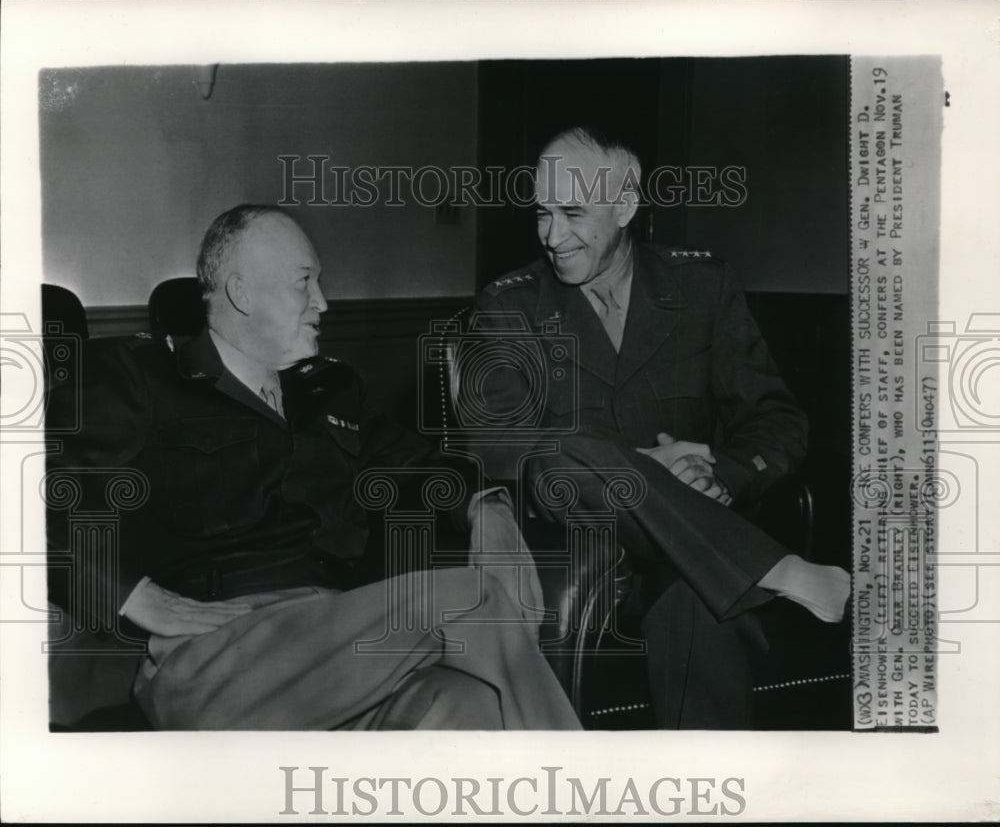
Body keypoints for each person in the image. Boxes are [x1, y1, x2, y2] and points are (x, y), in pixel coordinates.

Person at [45, 204, 580, 731]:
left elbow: (422, 465)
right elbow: (37, 498)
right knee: (475, 597)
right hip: (220, 652)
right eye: (305, 282)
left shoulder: (331, 391)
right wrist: (135, 595)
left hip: (338, 643)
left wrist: (487, 508)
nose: (323, 303)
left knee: (467, 704)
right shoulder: (139, 376)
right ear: (241, 292)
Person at [467, 126, 850, 728]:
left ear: (626, 205)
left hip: (695, 558)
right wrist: (649, 467)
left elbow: (777, 421)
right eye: (542, 212)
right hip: (583, 552)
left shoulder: (701, 286)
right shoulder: (508, 305)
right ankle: (776, 568)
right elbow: (497, 446)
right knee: (560, 448)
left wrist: (721, 474)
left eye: (573, 212)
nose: (551, 235)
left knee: (703, 602)